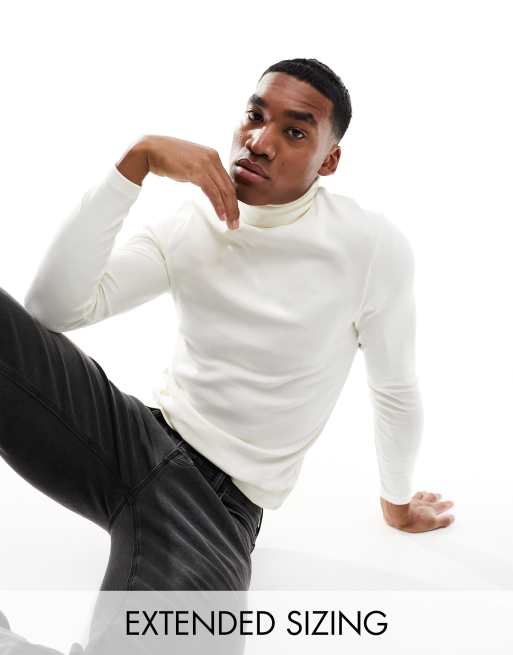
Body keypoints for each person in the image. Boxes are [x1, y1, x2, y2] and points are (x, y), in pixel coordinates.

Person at [0, 57, 454, 653]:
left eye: (295, 132)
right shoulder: (191, 223)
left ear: (329, 160)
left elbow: (394, 389)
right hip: (130, 441)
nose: (260, 142)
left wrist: (396, 504)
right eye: (255, 116)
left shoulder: (368, 246)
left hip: (218, 510)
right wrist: (134, 163)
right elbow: (53, 309)